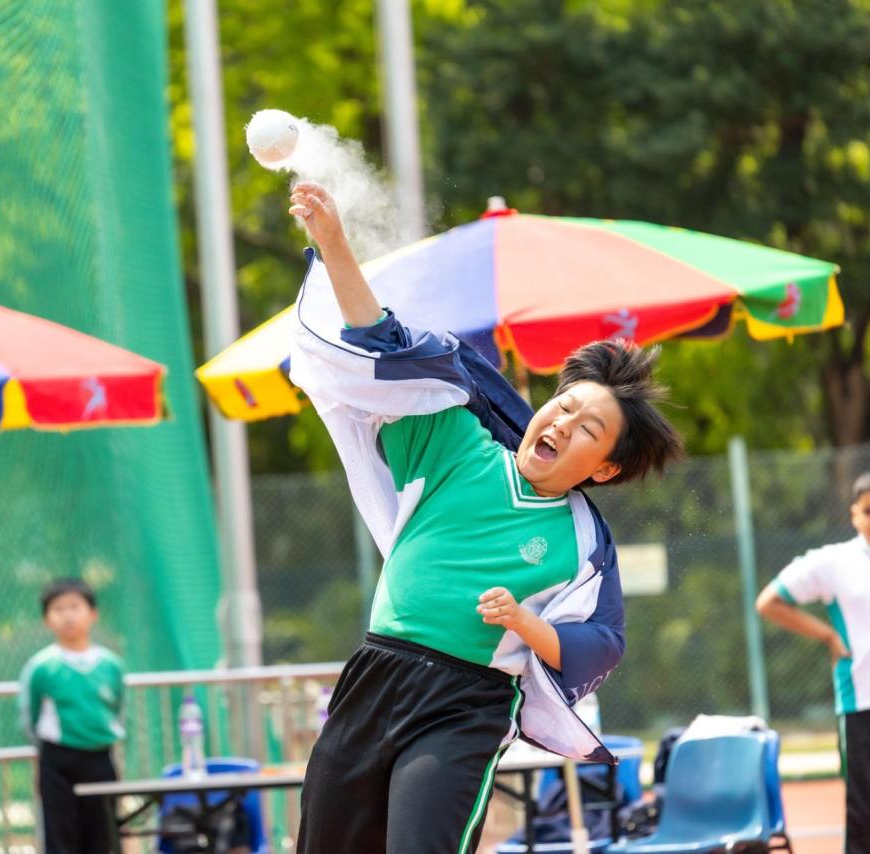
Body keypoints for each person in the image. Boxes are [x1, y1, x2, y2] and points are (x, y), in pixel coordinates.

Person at [285, 181, 684, 853]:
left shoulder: (583, 541)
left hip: (464, 704)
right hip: (375, 673)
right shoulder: (457, 441)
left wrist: (526, 623)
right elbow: (383, 344)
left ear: (605, 469)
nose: (564, 423)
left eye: (589, 430)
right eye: (565, 406)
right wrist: (334, 244)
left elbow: (598, 642)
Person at [756, 470, 870, 854]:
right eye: (868, 511)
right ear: (854, 514)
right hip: (863, 705)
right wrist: (827, 635)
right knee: (868, 821)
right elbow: (769, 602)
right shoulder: (834, 562)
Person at [19, 578, 125, 854]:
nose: (68, 616)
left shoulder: (111, 665)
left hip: (100, 758)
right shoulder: (42, 667)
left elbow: (118, 707)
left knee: (103, 835)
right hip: (58, 761)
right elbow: (30, 715)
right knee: (61, 836)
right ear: (47, 619)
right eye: (58, 609)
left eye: (75, 607)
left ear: (93, 614)